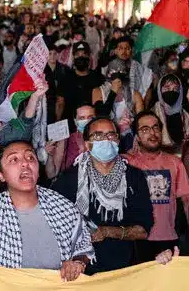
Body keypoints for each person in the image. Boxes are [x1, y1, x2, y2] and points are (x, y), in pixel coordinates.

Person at [0, 139, 94, 281]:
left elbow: (83, 248)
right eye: (14, 160)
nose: (25, 163)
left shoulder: (63, 207)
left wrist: (77, 263)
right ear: (1, 175)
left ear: (38, 169)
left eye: (30, 157)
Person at [52, 117, 153, 273]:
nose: (106, 140)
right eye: (98, 136)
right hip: (82, 271)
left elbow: (144, 230)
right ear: (87, 144)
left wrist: (107, 232)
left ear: (118, 141)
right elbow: (56, 227)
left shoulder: (134, 177)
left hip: (125, 269)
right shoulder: (69, 179)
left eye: (111, 135)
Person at [125, 111, 189, 261]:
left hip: (168, 237)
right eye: (145, 129)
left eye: (156, 128)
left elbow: (187, 200)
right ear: (136, 136)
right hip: (136, 237)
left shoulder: (175, 162)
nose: (152, 133)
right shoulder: (128, 163)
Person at [45, 103, 96, 176]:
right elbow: (51, 174)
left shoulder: (103, 140)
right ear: (75, 121)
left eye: (90, 117)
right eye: (82, 118)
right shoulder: (66, 140)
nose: (87, 121)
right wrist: (50, 156)